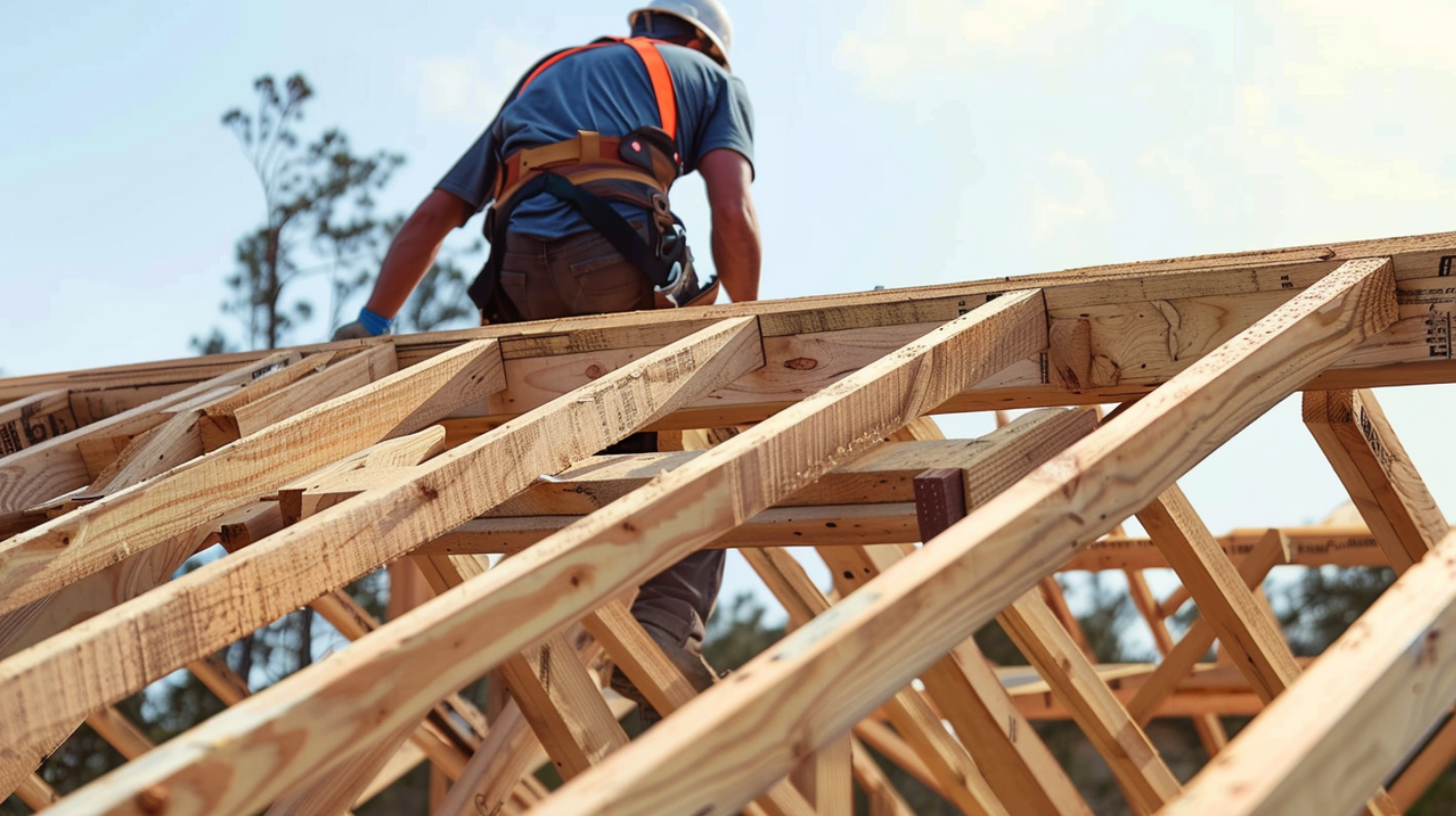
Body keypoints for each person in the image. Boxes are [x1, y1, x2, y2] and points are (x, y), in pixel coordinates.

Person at [335, 0, 760, 722]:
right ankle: (664, 626)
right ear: (705, 42)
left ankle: (538, 622)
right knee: (721, 430)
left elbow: (434, 216)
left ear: (643, 20)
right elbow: (731, 209)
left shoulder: (546, 75)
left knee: (583, 435)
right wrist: (748, 333)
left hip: (518, 278)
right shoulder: (711, 78)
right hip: (617, 256)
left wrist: (371, 322)